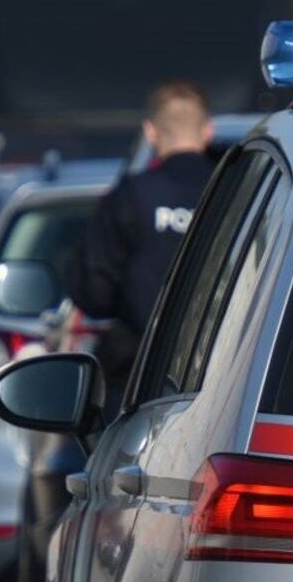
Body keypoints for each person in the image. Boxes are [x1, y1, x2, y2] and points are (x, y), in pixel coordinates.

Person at [71, 79, 215, 401]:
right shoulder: (234, 194)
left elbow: (92, 289)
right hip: (219, 375)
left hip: (139, 377)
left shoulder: (131, 195)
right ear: (208, 131)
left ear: (150, 132)